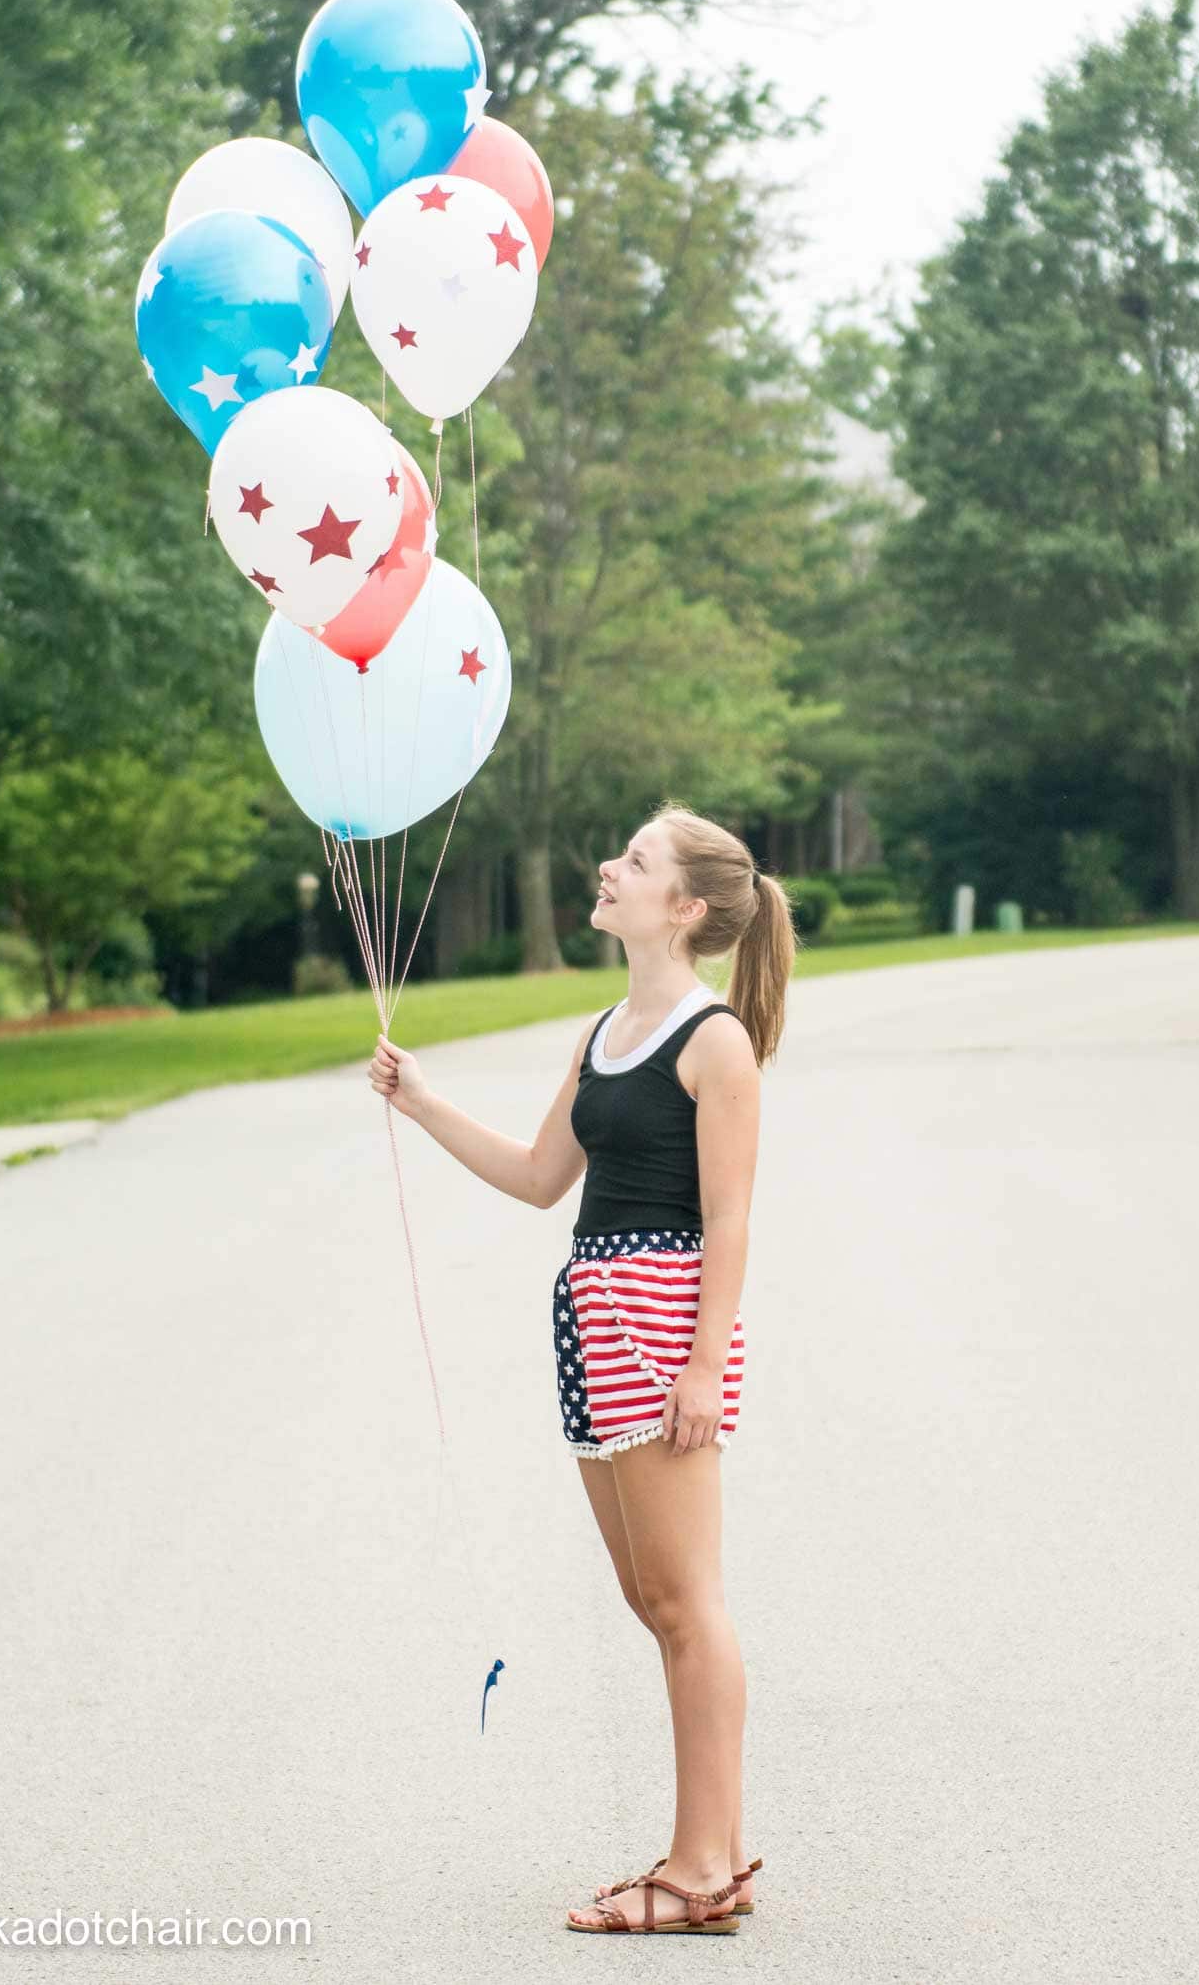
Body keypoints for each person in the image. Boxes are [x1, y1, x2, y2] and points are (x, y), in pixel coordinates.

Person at [368, 798, 797, 1935]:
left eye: (635, 859)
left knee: (687, 1602)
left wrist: (703, 1369)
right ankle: (697, 1849)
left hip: (660, 1333)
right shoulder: (605, 1031)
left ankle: (705, 1868)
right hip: (591, 1321)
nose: (608, 866)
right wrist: (418, 1103)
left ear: (684, 907)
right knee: (650, 1599)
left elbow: (730, 1220)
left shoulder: (714, 1042)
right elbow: (536, 1174)